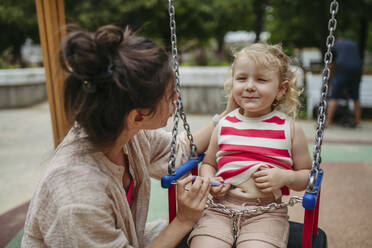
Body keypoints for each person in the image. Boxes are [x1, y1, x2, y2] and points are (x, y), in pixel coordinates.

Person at [22, 25, 236, 248]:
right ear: (136, 116)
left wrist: (226, 115)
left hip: (126, 238)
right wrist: (183, 220)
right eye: (169, 95)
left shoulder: (126, 135)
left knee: (208, 227)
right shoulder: (80, 192)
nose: (176, 99)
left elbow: (179, 150)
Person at [188, 43, 312, 248]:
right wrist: (210, 180)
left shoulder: (289, 129)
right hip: (220, 210)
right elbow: (209, 163)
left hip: (266, 213)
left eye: (261, 79)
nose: (249, 86)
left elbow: (308, 176)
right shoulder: (224, 124)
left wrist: (285, 177)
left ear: (281, 89)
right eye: (242, 78)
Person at [325, 37, 363, 127]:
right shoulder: (353, 44)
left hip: (342, 69)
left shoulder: (335, 45)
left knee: (334, 96)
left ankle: (328, 121)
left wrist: (330, 79)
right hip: (357, 70)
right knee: (356, 97)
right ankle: (358, 121)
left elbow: (331, 64)